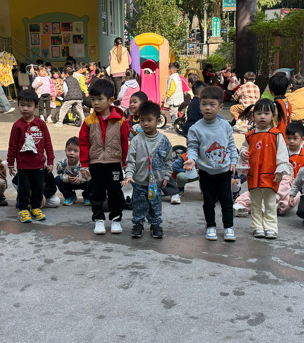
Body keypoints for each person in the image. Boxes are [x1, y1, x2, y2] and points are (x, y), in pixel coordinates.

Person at [185, 85, 239, 242]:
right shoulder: (195, 129)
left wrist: (233, 161)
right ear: (200, 105)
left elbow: (231, 145)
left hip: (224, 171)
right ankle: (210, 226)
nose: (207, 108)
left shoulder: (225, 125)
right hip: (206, 172)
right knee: (208, 202)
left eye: (212, 105)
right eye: (204, 104)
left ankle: (229, 227)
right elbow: (192, 147)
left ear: (220, 107)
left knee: (226, 201)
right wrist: (191, 159)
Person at [79, 78, 130, 235]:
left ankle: (116, 219)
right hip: (95, 163)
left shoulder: (120, 121)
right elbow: (83, 144)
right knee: (96, 193)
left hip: (114, 163)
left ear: (111, 100)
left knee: (115, 192)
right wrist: (84, 164)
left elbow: (124, 143)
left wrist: (125, 163)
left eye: (100, 99)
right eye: (93, 99)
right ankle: (98, 219)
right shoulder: (88, 121)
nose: (95, 103)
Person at [234, 121, 304, 217]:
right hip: (278, 178)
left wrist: (296, 181)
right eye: (289, 138)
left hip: (294, 185)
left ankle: (272, 206)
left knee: (296, 196)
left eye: (295, 138)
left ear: (302, 139)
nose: (291, 141)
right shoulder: (280, 150)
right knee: (260, 189)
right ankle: (242, 203)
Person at [122, 101, 173, 239]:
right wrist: (129, 175)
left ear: (158, 121)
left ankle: (155, 224)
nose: (145, 124)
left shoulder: (164, 141)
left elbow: (169, 160)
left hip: (156, 182)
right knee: (139, 204)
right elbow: (130, 160)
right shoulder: (136, 140)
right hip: (139, 181)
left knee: (155, 204)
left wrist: (167, 176)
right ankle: (138, 224)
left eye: (149, 120)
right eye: (142, 120)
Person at [243, 98, 291, 239]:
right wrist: (243, 153)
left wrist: (280, 170)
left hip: (271, 175)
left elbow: (282, 154)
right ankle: (257, 226)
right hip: (254, 175)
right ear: (253, 116)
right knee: (255, 203)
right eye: (258, 113)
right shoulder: (249, 135)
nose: (262, 117)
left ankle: (270, 227)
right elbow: (244, 148)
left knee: (270, 203)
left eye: (266, 113)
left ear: (273, 116)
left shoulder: (276, 135)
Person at [8, 88, 55, 223]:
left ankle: (35, 207)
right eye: (22, 105)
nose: (25, 108)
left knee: (38, 187)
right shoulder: (17, 126)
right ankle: (23, 209)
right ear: (18, 105)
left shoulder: (41, 124)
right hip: (23, 165)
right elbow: (12, 146)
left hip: (38, 164)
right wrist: (11, 163)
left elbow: (48, 143)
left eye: (29, 105)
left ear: (36, 106)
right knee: (24, 188)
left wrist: (50, 160)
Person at [54, 137, 90, 205]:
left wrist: (81, 179)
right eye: (69, 150)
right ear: (65, 150)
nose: (72, 153)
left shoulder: (84, 163)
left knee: (92, 181)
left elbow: (89, 175)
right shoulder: (62, 164)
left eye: (76, 151)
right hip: (69, 183)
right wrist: (67, 178)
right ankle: (70, 196)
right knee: (57, 179)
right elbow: (60, 174)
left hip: (83, 183)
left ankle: (87, 196)